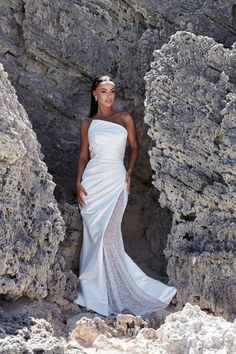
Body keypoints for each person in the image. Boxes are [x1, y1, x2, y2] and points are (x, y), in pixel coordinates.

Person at [74, 75, 177, 316]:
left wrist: (129, 171)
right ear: (94, 94)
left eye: (112, 91)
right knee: (94, 238)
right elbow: (82, 156)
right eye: (104, 91)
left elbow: (134, 148)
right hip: (92, 183)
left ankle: (132, 290)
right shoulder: (87, 123)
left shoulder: (125, 118)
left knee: (109, 236)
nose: (109, 96)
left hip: (116, 179)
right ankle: (95, 293)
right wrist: (78, 182)